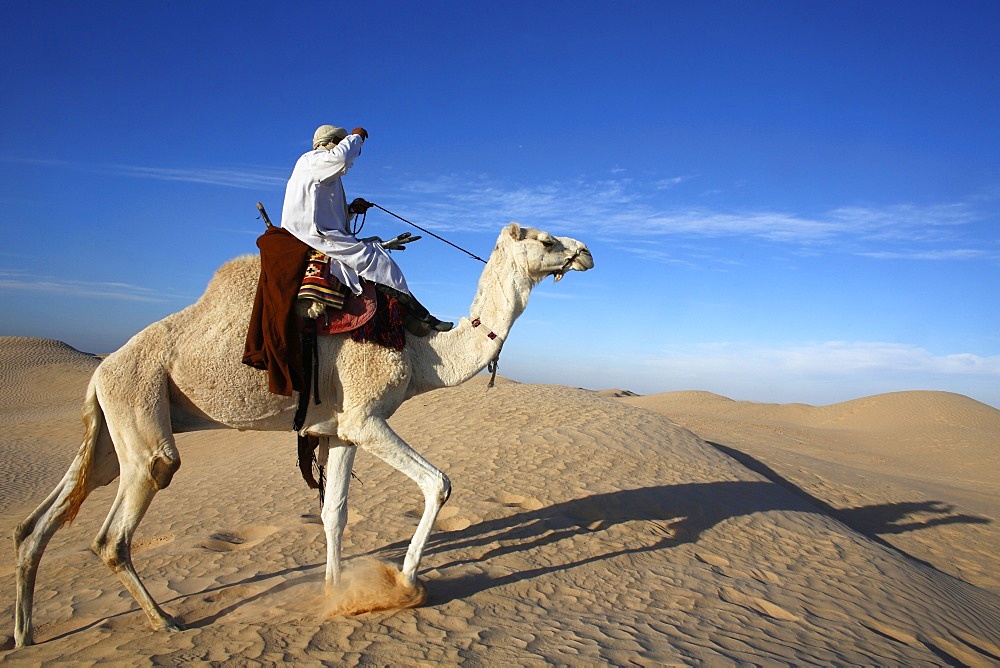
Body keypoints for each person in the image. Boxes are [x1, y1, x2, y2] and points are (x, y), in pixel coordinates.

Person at [280, 124, 452, 334]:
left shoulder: (324, 176)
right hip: (312, 235)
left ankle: (413, 316)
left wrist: (352, 209)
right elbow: (341, 158)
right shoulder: (311, 160)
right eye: (340, 143)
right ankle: (421, 318)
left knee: (372, 245)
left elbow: (329, 215)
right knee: (378, 260)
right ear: (329, 143)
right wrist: (356, 137)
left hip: (322, 232)